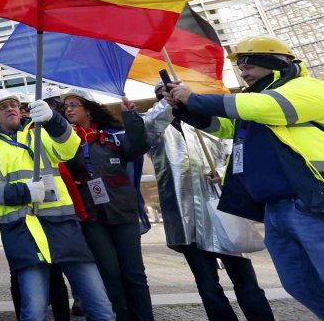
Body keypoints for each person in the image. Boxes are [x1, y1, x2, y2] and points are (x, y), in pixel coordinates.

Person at [168, 35, 324, 318]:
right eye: (240, 66)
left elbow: (263, 108)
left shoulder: (305, 87)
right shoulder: (257, 97)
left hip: (311, 202)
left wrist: (196, 99)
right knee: (298, 283)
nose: (243, 71)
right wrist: (188, 111)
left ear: (273, 62)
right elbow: (226, 126)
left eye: (248, 64)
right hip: (275, 208)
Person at [0, 90, 114, 321]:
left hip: (63, 228)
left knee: (100, 307)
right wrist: (22, 191)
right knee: (34, 311)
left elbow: (68, 148)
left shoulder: (39, 132)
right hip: (24, 233)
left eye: (14, 104)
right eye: (3, 106)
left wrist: (53, 120)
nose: (11, 108)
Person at [144, 83, 274, 320]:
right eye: (164, 93)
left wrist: (223, 172)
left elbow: (233, 153)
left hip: (222, 211)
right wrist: (169, 104)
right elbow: (148, 127)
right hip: (186, 218)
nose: (170, 96)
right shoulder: (156, 125)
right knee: (207, 284)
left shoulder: (208, 121)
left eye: (174, 91)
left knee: (245, 280)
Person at [61, 89, 153, 321]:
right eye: (66, 106)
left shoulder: (113, 136)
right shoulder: (68, 142)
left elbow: (138, 147)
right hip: (92, 218)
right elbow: (64, 173)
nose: (68, 109)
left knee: (134, 274)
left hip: (122, 212)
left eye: (74, 104)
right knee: (109, 273)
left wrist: (130, 116)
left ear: (88, 109)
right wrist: (62, 139)